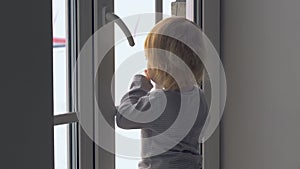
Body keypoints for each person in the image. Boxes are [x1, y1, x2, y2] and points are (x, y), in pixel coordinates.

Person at [116, 17, 208, 169]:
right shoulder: (199, 97)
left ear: (162, 66)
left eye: (149, 60)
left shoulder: (160, 102)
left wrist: (140, 84)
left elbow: (123, 117)